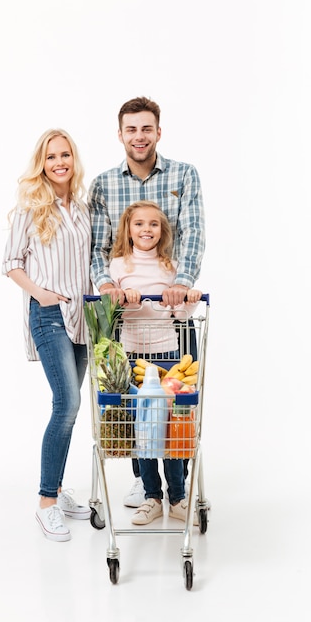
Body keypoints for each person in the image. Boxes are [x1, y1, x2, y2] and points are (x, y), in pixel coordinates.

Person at [88, 96, 205, 507]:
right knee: (133, 402)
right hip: (129, 317)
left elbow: (192, 234)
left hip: (170, 313)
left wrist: (183, 284)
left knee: (176, 403)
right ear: (120, 134)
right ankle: (146, 482)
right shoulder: (103, 184)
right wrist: (109, 288)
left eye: (147, 128)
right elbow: (96, 249)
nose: (139, 137)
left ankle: (177, 488)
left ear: (158, 131)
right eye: (131, 129)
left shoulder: (183, 175)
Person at [2, 128, 93, 542]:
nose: (59, 162)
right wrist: (41, 293)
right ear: (42, 162)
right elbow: (11, 262)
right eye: (52, 156)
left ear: (73, 160)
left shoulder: (83, 206)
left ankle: (56, 489)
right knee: (67, 402)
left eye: (65, 155)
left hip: (83, 319)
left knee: (70, 410)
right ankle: (45, 503)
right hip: (50, 315)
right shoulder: (31, 206)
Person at [109, 200, 202, 525]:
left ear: (162, 231)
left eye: (153, 224)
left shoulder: (170, 266)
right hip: (135, 357)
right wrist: (125, 298)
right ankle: (152, 497)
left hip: (169, 356)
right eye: (139, 224)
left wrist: (187, 300)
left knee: (170, 429)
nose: (146, 229)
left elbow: (177, 314)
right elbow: (116, 311)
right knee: (143, 430)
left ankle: (177, 496)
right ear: (128, 229)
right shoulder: (118, 266)